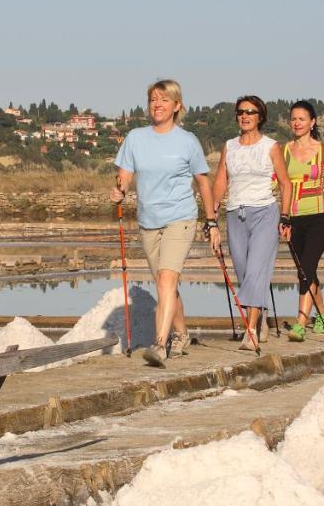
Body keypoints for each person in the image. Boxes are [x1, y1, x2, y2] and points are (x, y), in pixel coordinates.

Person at [110, 79, 220, 368]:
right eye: (153, 100)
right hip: (148, 220)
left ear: (177, 106)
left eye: (163, 100)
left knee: (166, 280)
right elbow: (124, 175)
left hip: (180, 218)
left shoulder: (188, 141)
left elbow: (203, 184)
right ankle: (182, 334)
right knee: (165, 284)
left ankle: (160, 344)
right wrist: (119, 191)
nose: (157, 105)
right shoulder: (135, 138)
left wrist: (212, 222)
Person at [210, 95, 291, 348]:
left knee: (256, 270)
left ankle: (251, 331)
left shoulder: (271, 146)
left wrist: (286, 216)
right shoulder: (229, 146)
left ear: (260, 117)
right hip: (236, 213)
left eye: (250, 112)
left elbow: (286, 184)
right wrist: (211, 219)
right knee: (245, 273)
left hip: (265, 212)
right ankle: (261, 317)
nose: (244, 116)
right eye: (240, 111)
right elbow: (221, 181)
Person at [281, 100, 324, 341]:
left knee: (306, 268)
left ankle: (300, 323)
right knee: (305, 271)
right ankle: (323, 313)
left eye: (301, 119)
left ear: (312, 122)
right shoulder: (284, 150)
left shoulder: (323, 149)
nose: (296, 123)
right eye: (293, 119)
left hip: (319, 217)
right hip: (293, 218)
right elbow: (276, 181)